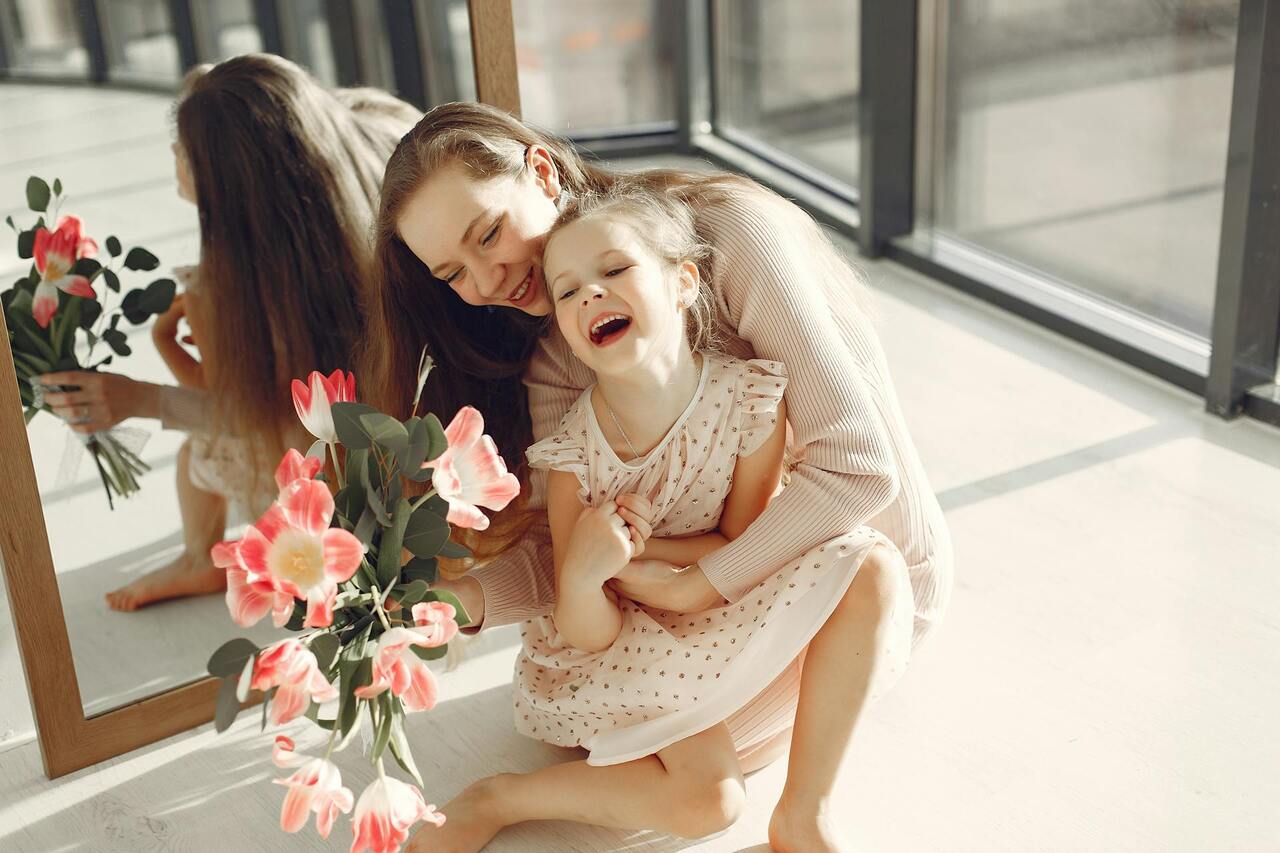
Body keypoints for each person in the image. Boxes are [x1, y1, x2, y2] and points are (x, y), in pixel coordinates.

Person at [371, 102, 952, 852]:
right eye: (452, 272)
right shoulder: (557, 352)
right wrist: (464, 601)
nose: (486, 278)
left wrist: (694, 583)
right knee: (675, 769)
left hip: (856, 587)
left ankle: (792, 811)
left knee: (684, 761)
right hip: (691, 614)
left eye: (488, 233)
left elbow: (857, 468)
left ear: (540, 171)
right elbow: (572, 550)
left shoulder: (733, 237)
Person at [37, 55, 420, 612]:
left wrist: (144, 398)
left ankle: (208, 556)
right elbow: (243, 392)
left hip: (376, 458)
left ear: (230, 184)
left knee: (211, 448)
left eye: (185, 148)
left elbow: (269, 416)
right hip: (409, 427)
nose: (173, 155)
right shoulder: (359, 153)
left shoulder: (245, 284)